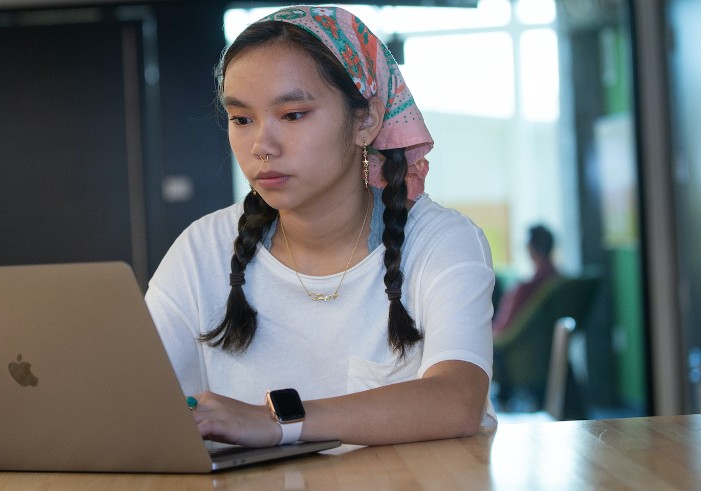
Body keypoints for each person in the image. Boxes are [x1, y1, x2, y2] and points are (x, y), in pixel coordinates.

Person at [145, 6, 496, 449]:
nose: (262, 146)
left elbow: (457, 400)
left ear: (366, 120)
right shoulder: (202, 249)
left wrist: (277, 421)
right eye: (242, 119)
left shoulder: (439, 241)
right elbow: (133, 396)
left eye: (293, 115)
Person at [491, 224, 559, 335]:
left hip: (511, 343)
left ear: (530, 249)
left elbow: (501, 329)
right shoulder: (562, 283)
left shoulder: (525, 290)